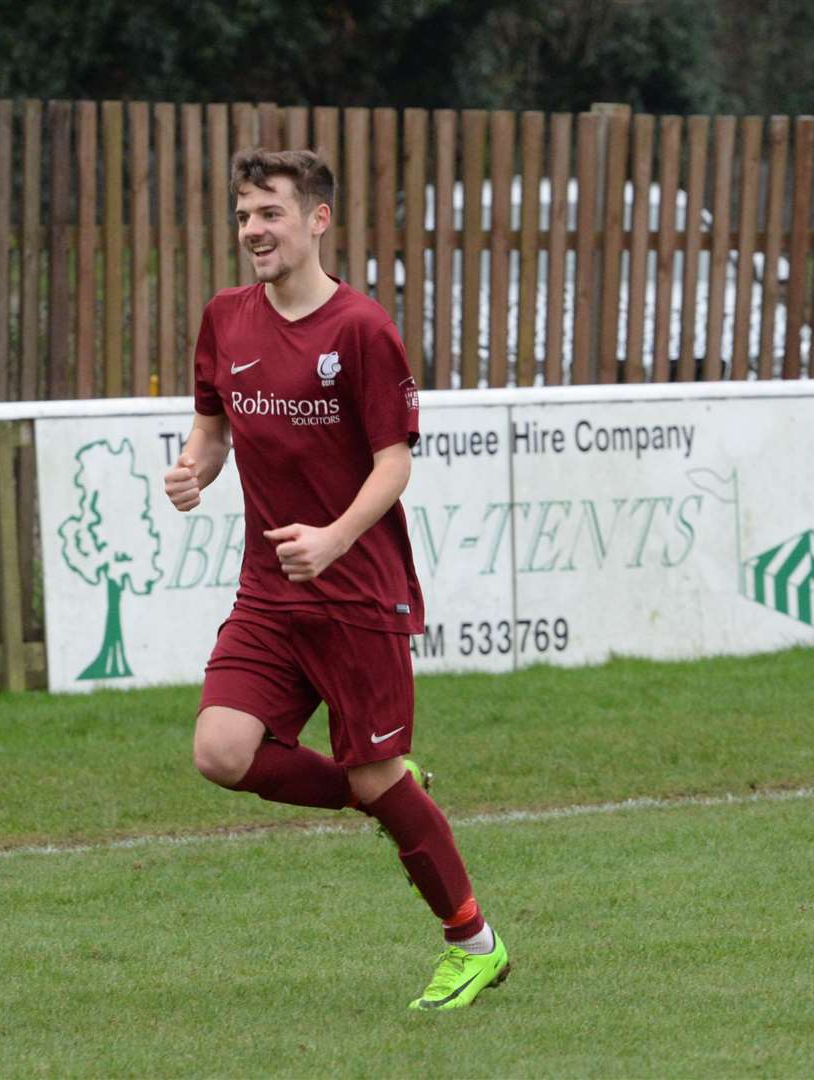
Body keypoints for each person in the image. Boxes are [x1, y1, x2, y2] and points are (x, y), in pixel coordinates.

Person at [163, 148, 509, 1012]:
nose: (253, 231)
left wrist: (334, 538)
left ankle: (474, 941)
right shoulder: (224, 319)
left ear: (318, 220)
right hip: (268, 591)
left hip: (357, 591)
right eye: (243, 215)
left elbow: (395, 464)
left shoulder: (360, 329)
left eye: (269, 213)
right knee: (222, 751)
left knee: (371, 775)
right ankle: (388, 792)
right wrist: (193, 470)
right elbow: (212, 432)